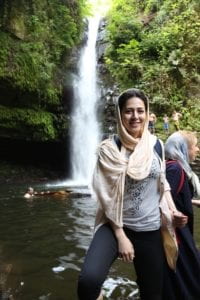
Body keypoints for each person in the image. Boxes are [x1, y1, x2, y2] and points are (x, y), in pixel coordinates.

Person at [77, 88, 186, 300]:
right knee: (88, 283)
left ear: (147, 113)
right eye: (128, 111)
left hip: (150, 228)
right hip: (114, 225)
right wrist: (120, 235)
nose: (135, 116)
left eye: (140, 111)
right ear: (120, 114)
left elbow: (161, 183)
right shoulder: (109, 148)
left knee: (153, 293)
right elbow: (105, 197)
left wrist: (173, 212)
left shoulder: (156, 145)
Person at [163, 130, 200, 300]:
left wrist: (191, 202)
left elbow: (174, 196)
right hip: (176, 237)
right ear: (183, 149)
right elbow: (161, 199)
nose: (197, 149)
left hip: (181, 234)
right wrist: (173, 213)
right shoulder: (175, 169)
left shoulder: (177, 168)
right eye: (194, 146)